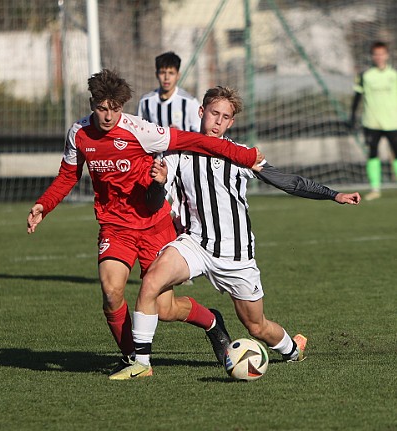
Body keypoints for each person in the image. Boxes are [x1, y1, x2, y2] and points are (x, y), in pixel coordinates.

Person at [109, 85, 361, 380]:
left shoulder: (239, 154)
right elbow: (153, 201)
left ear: (231, 122)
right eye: (213, 113)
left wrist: (333, 194)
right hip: (196, 245)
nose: (217, 121)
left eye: (225, 117)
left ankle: (292, 348)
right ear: (201, 112)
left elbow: (286, 181)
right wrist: (158, 182)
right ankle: (141, 364)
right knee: (151, 281)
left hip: (236, 255)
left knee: (257, 327)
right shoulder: (177, 152)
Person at [26, 70, 263, 377]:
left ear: (122, 107)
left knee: (164, 309)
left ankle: (212, 321)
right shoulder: (79, 133)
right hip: (115, 227)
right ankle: (132, 360)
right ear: (92, 104)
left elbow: (194, 141)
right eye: (101, 108)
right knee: (111, 292)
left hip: (155, 225)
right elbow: (68, 175)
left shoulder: (140, 130)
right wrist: (45, 204)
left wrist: (244, 155)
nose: (108, 115)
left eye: (115, 108)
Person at [138, 50, 201, 285]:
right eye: (163, 73)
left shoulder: (189, 102)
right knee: (161, 211)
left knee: (183, 213)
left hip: (183, 165)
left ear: (178, 75)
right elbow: (139, 133)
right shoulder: (146, 102)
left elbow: (199, 135)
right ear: (157, 74)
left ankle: (185, 263)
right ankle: (164, 262)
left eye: (171, 73)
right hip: (156, 166)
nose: (166, 77)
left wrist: (181, 135)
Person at [350, 41, 397, 200]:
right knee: (372, 154)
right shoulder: (365, 76)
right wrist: (352, 116)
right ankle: (375, 188)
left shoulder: (394, 74)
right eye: (376, 54)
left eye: (381, 53)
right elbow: (357, 97)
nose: (379, 57)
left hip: (393, 121)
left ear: (387, 55)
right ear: (372, 56)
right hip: (371, 122)